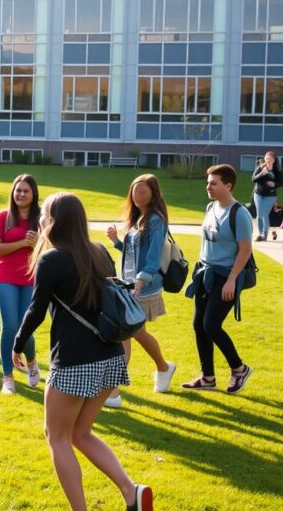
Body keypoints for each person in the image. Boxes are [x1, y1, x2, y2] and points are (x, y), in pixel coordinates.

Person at [12, 192, 152, 511]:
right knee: (81, 433)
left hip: (75, 361)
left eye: (44, 214)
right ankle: (132, 493)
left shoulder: (52, 259)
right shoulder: (100, 251)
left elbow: (36, 310)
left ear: (55, 221)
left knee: (57, 436)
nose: (40, 219)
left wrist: (17, 344)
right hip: (111, 357)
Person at [182, 164, 254, 394]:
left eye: (214, 183)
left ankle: (239, 368)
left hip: (226, 276)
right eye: (208, 183)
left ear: (228, 185)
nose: (209, 187)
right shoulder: (211, 207)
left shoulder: (239, 213)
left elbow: (245, 250)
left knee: (211, 325)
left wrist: (232, 279)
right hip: (205, 273)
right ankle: (208, 378)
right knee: (198, 325)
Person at [105, 174, 176, 407]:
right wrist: (117, 242)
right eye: (134, 191)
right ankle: (164, 368)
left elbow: (153, 256)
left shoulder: (155, 220)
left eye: (143, 192)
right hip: (129, 285)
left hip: (144, 287)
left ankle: (113, 392)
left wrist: (141, 279)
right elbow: (134, 252)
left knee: (128, 334)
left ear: (153, 194)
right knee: (134, 333)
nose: (137, 196)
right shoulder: (139, 219)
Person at [0, 174, 41, 394]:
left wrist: (38, 242)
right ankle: (7, 378)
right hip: (5, 277)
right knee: (9, 325)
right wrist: (22, 243)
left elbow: (52, 248)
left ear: (33, 194)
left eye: (25, 191)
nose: (20, 194)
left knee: (24, 327)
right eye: (17, 190)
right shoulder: (4, 217)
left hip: (32, 278)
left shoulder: (41, 219)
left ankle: (31, 362)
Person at [251, 151, 283, 241]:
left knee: (264, 213)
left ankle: (264, 235)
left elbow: (282, 182)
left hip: (270, 195)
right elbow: (253, 179)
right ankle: (260, 233)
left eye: (270, 159)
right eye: (266, 158)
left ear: (274, 160)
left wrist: (274, 184)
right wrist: (262, 173)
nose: (268, 160)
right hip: (258, 194)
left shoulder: (277, 170)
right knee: (259, 214)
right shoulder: (260, 167)